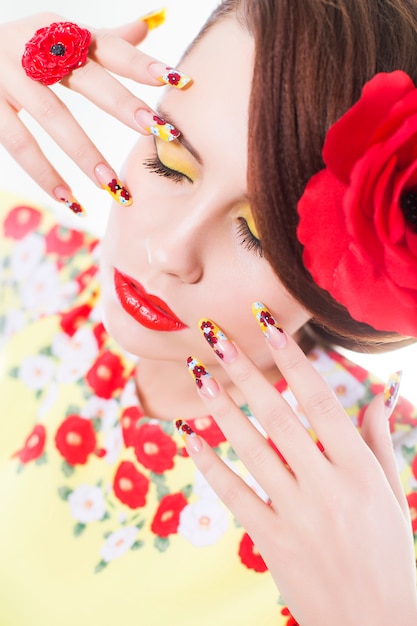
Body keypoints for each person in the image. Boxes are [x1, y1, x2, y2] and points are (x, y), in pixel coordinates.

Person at [0, 2, 416, 625]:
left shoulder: (389, 512)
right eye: (169, 160)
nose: (169, 252)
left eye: (259, 237)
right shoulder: (25, 262)